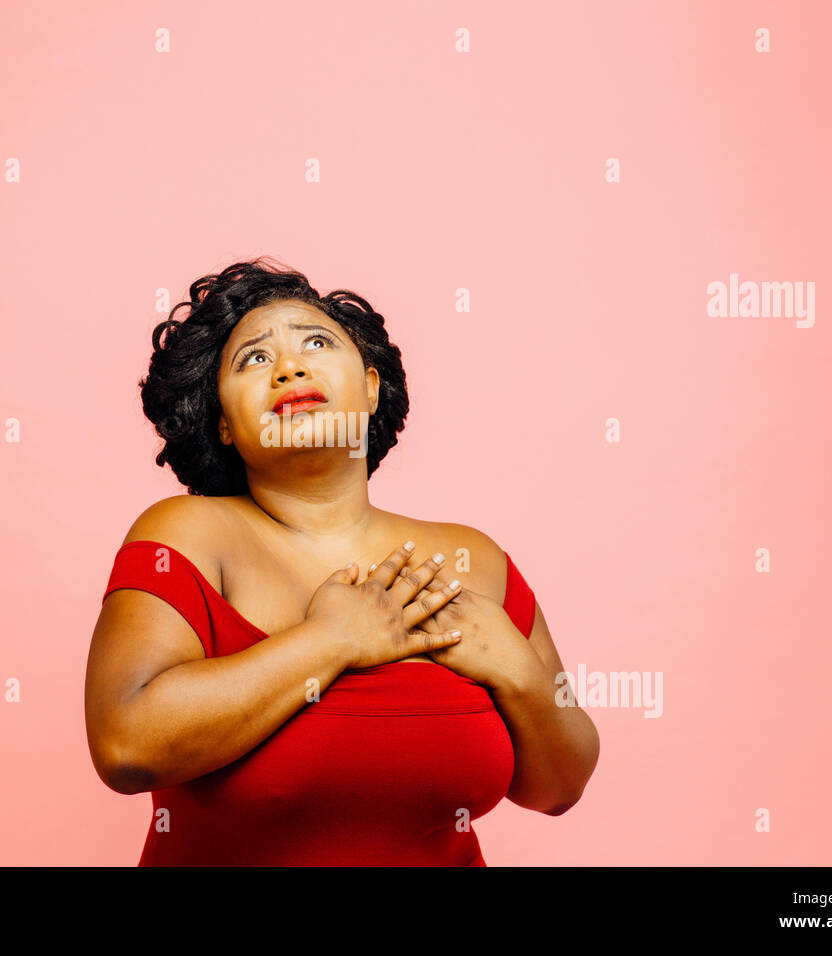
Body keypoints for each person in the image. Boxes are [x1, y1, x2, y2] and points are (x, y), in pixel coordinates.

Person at [84, 257, 600, 865]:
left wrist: (516, 669)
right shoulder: (188, 535)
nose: (290, 366)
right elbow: (125, 746)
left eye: (318, 343)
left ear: (372, 387)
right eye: (254, 358)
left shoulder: (472, 558)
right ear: (223, 423)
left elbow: (559, 788)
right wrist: (331, 641)